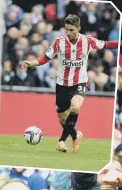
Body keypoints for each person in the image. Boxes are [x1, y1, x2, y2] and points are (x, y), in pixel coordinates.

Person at [21, 14, 118, 153]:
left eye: (72, 30)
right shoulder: (58, 41)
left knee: (75, 107)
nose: (69, 33)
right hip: (62, 84)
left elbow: (107, 44)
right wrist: (32, 63)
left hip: (79, 82)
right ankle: (75, 135)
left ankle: (61, 141)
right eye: (67, 29)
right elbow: (45, 58)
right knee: (63, 118)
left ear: (78, 28)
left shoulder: (87, 41)